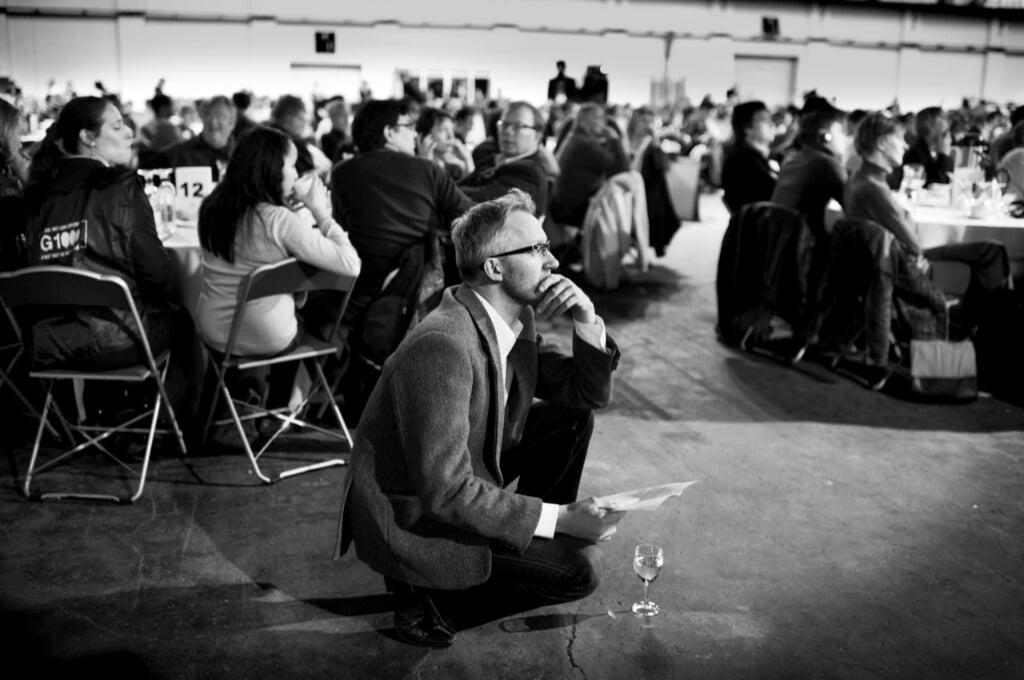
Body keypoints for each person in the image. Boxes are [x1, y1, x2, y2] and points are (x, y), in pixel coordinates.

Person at [336, 189, 623, 647]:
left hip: (463, 478)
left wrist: (586, 319)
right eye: (537, 249)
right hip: (415, 519)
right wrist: (563, 518)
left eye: (547, 246)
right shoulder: (443, 343)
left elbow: (585, 393)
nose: (552, 261)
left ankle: (523, 538)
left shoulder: (514, 318)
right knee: (580, 571)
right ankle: (429, 603)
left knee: (570, 418)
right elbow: (444, 491)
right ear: (494, 267)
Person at [196, 126, 361, 436]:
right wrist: (321, 213)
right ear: (271, 168)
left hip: (215, 335)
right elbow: (350, 265)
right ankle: (275, 411)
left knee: (284, 305)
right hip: (267, 338)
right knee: (305, 314)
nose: (296, 172)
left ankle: (210, 418)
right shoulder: (277, 220)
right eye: (291, 164)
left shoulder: (212, 207)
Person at [22, 96, 187, 405]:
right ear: (88, 138)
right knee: (185, 317)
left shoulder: (36, 195)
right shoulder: (121, 188)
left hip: (48, 344)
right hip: (116, 342)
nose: (129, 133)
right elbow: (158, 275)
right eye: (117, 125)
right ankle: (172, 428)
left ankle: (109, 416)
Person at [846, 111, 1008, 335]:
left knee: (990, 251)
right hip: (898, 265)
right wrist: (907, 221)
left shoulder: (860, 178)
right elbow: (914, 244)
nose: (905, 146)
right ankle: (983, 329)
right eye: (900, 139)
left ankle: (968, 320)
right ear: (882, 143)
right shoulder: (873, 189)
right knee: (992, 252)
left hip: (880, 260)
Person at [330, 98, 473, 324]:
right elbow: (472, 217)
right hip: (417, 296)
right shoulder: (427, 170)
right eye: (408, 127)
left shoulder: (341, 173)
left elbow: (340, 230)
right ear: (389, 132)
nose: (415, 133)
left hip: (358, 295)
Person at [458, 101, 555, 216]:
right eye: (504, 124)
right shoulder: (493, 158)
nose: (508, 131)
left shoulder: (530, 172)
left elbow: (476, 203)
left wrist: (436, 180)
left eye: (518, 126)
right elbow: (461, 187)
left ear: (537, 136)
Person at [549, 103, 630, 228]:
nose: (604, 123)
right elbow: (624, 172)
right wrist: (615, 140)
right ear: (583, 122)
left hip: (563, 207)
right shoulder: (586, 145)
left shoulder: (576, 138)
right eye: (598, 118)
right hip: (572, 212)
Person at [141, 95, 236, 181]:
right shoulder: (178, 152)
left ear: (232, 123)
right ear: (201, 117)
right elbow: (142, 174)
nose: (213, 121)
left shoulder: (243, 157)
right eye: (207, 114)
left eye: (221, 116)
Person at [721, 100, 778, 215]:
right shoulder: (742, 162)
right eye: (765, 120)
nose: (772, 125)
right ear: (747, 127)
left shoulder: (759, 157)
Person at [415, 107, 475, 181]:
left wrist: (468, 159)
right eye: (443, 130)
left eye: (452, 130)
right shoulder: (413, 167)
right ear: (426, 134)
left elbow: (466, 188)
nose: (451, 136)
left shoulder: (451, 167)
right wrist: (426, 164)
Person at [902, 106, 954, 187]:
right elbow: (936, 184)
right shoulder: (916, 153)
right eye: (943, 118)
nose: (947, 123)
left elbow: (949, 178)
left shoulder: (932, 150)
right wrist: (944, 155)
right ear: (930, 124)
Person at [138, 92, 181, 163]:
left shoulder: (146, 127)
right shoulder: (168, 127)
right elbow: (178, 150)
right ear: (163, 107)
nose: (174, 108)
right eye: (171, 105)